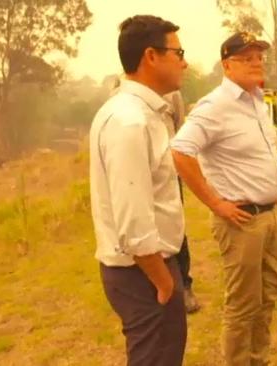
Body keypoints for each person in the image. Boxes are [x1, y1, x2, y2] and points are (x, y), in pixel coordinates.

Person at [170, 32, 277, 366]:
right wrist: (216, 203)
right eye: (246, 58)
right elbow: (180, 151)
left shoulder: (258, 101)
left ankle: (258, 359)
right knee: (243, 305)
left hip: (269, 216)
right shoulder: (215, 105)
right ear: (227, 64)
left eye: (259, 57)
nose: (256, 63)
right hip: (241, 221)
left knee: (268, 297)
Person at [88, 15, 188, 365]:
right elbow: (134, 219)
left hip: (147, 267)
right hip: (142, 271)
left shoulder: (145, 113)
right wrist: (164, 283)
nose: (184, 63)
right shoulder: (130, 121)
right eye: (178, 53)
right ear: (151, 56)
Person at [164, 90, 201, 314]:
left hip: (169, 172)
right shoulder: (119, 89)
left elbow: (178, 129)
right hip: (139, 173)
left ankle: (185, 286)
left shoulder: (172, 94)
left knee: (176, 227)